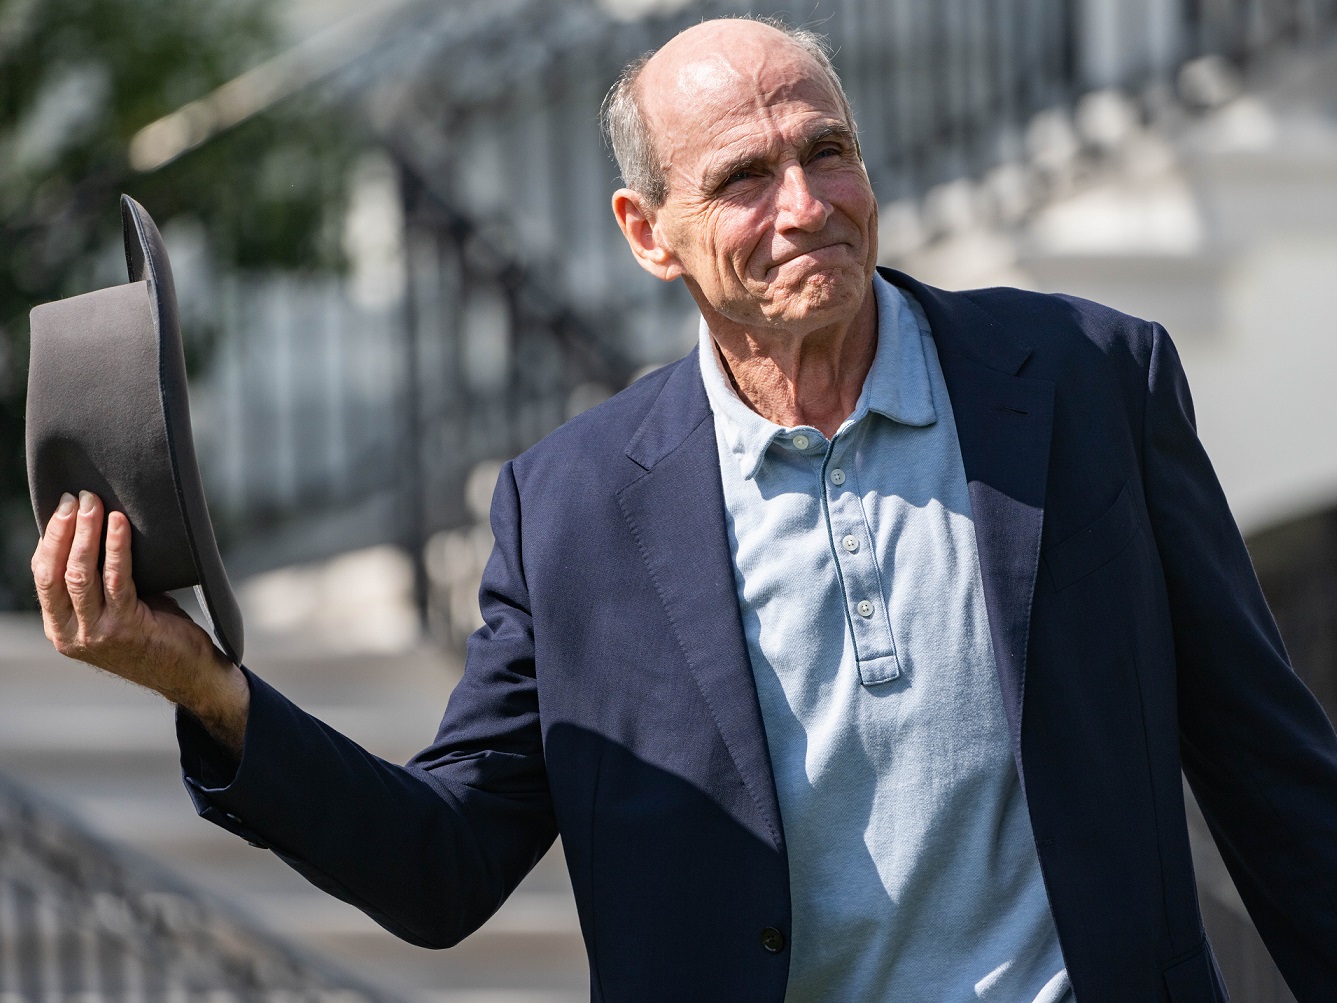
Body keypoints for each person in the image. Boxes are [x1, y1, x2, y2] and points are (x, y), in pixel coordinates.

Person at [30, 16, 1337, 1003]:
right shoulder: (571, 512)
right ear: (646, 233)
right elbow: (440, 870)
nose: (805, 206)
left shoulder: (1085, 382)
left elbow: (1269, 769)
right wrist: (209, 693)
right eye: (742, 178)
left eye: (826, 152)